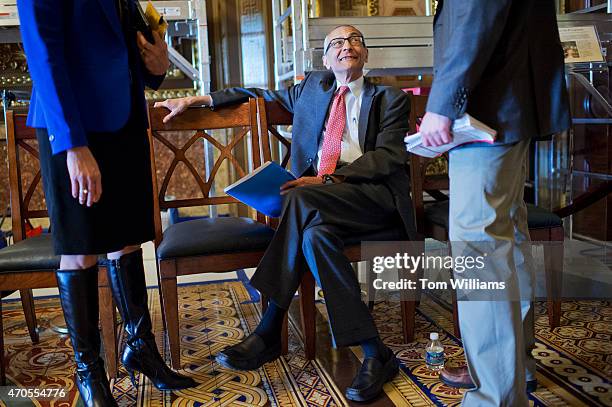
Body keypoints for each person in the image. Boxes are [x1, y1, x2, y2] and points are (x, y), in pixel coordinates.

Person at [156, 25, 417, 402]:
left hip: (373, 201)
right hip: (321, 208)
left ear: (366, 54)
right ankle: (376, 352)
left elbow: (390, 157)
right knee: (315, 237)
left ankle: (269, 328)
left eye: (355, 40)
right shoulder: (312, 88)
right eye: (337, 43)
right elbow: (254, 93)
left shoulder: (390, 98)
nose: (348, 46)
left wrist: (327, 179)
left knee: (299, 198)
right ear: (326, 60)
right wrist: (196, 99)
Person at [17, 0, 197, 405]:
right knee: (80, 250)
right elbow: (43, 52)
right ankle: (89, 372)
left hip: (126, 121)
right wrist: (73, 145)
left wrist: (158, 63)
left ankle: (141, 349)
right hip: (75, 128)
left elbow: (130, 50)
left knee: (127, 239)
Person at [419, 1, 570, 405]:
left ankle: (496, 396)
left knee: (479, 249)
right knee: (507, 238)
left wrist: (442, 103)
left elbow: (475, 16)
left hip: (487, 109)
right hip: (509, 106)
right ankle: (511, 369)